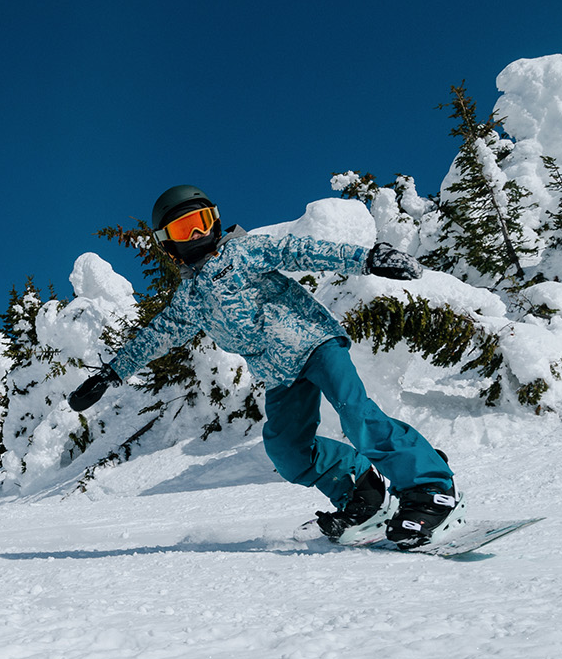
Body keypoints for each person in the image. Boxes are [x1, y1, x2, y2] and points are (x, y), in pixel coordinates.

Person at [68, 186, 462, 548]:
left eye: (200, 223)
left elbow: (302, 250)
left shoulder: (243, 252)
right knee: (288, 452)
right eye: (183, 228)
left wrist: (367, 257)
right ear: (167, 243)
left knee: (356, 415)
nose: (195, 236)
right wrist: (110, 373)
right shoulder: (189, 300)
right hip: (279, 376)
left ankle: (431, 489)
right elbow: (155, 336)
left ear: (215, 221)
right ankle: (361, 491)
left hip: (314, 342)